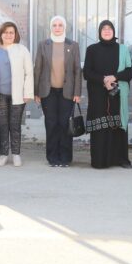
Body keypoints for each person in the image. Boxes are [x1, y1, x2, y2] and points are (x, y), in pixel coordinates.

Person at [83, 20, 132, 169]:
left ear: (113, 31)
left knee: (117, 127)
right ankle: (100, 160)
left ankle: (121, 159)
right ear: (99, 32)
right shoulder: (92, 49)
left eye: (109, 28)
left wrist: (114, 77)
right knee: (100, 128)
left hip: (117, 94)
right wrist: (103, 79)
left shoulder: (122, 49)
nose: (106, 31)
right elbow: (87, 72)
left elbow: (129, 72)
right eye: (103, 29)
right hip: (98, 95)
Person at [0, 22, 34, 166]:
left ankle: (16, 154)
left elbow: (29, 73)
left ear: (15, 34)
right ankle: (4, 154)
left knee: (15, 125)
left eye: (11, 32)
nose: (8, 35)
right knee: (3, 125)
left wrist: (28, 92)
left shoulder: (22, 50)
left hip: (18, 95)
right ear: (1, 34)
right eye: (5, 32)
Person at [33, 15, 82, 167]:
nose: (57, 28)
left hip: (67, 92)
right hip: (48, 92)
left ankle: (65, 158)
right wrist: (36, 92)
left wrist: (77, 92)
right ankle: (52, 157)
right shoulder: (43, 45)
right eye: (54, 25)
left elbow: (77, 70)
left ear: (65, 27)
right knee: (51, 124)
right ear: (50, 27)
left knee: (64, 124)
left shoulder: (73, 45)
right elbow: (38, 69)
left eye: (60, 25)